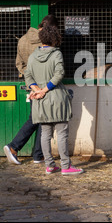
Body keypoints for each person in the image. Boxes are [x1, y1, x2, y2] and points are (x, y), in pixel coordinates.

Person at [25, 24, 83, 175]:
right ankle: (65, 166)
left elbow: (28, 76)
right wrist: (44, 90)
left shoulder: (33, 56)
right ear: (55, 38)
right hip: (56, 97)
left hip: (40, 100)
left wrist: (37, 90)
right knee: (62, 133)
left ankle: (49, 165)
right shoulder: (56, 54)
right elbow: (59, 74)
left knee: (45, 133)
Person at [3, 15, 58, 165]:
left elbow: (19, 64)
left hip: (32, 86)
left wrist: (32, 83)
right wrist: (42, 86)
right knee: (36, 119)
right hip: (46, 87)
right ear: (52, 28)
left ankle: (38, 154)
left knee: (41, 119)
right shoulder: (47, 42)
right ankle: (14, 146)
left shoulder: (22, 40)